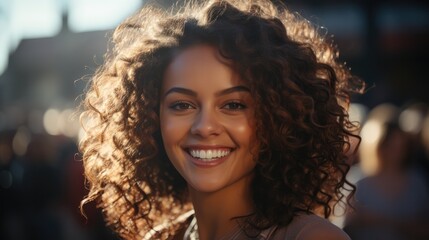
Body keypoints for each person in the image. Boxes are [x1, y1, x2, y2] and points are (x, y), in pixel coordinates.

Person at [79, 0, 363, 239]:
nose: (204, 127)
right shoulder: (161, 237)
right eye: (182, 105)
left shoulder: (311, 238)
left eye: (233, 104)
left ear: (277, 117)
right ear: (151, 119)